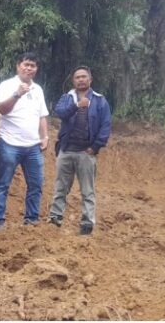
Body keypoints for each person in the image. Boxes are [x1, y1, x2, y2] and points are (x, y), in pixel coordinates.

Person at [48, 66, 111, 235]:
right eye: (77, 77)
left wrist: (95, 146)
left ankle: (87, 223)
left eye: (84, 77)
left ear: (90, 80)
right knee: (61, 187)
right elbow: (60, 113)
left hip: (86, 152)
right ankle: (55, 218)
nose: (81, 79)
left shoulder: (100, 100)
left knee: (87, 190)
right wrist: (77, 105)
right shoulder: (67, 98)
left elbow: (105, 126)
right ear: (73, 81)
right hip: (66, 150)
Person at [0, 52, 49, 231]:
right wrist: (17, 94)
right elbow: (2, 109)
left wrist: (44, 136)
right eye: (26, 64)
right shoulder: (7, 85)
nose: (29, 68)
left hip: (33, 146)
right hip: (9, 143)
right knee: (2, 183)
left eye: (33, 65)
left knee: (36, 184)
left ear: (36, 69)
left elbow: (42, 115)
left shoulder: (38, 89)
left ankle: (31, 218)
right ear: (18, 66)